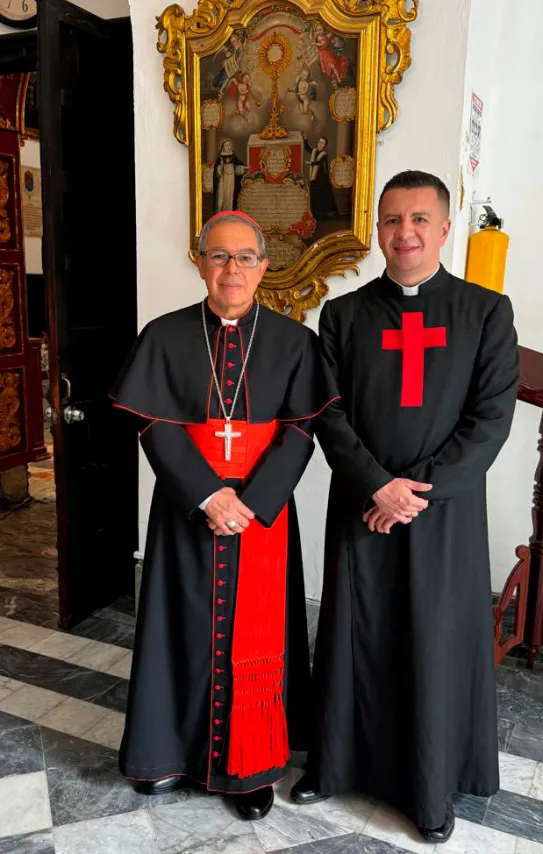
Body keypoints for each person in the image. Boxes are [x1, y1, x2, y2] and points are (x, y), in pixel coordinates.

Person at [292, 171, 519, 843]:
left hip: (442, 517)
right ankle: (331, 766)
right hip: (363, 508)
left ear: (445, 229)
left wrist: (414, 493)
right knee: (353, 636)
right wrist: (376, 486)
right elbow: (329, 415)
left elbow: (490, 422)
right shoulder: (344, 315)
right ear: (378, 232)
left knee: (432, 642)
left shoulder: (485, 313)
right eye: (392, 220)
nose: (405, 233)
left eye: (419, 219)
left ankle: (429, 789)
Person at [111, 210, 338, 821]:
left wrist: (253, 504)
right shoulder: (165, 334)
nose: (230, 269)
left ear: (264, 266)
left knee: (256, 639)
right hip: (189, 509)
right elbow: (154, 422)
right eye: (218, 256)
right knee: (177, 630)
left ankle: (251, 770)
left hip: (260, 517)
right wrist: (209, 495)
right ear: (200, 263)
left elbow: (300, 430)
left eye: (243, 257)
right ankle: (169, 756)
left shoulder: (295, 342)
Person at [302, 134, 338, 222]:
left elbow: (319, 163)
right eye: (319, 142)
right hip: (315, 178)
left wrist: (310, 163)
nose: (319, 144)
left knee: (321, 197)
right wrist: (305, 139)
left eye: (322, 143)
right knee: (314, 196)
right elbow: (307, 149)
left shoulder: (324, 154)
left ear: (325, 146)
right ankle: (315, 215)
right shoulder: (314, 151)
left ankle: (321, 217)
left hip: (322, 179)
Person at [213, 140, 246, 213]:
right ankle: (220, 213)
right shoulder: (220, 158)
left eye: (229, 145)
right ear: (223, 147)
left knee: (230, 196)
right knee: (221, 196)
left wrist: (242, 168)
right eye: (227, 146)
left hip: (231, 179)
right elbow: (217, 172)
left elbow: (237, 168)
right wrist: (220, 168)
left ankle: (229, 212)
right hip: (223, 180)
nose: (229, 147)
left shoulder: (233, 157)